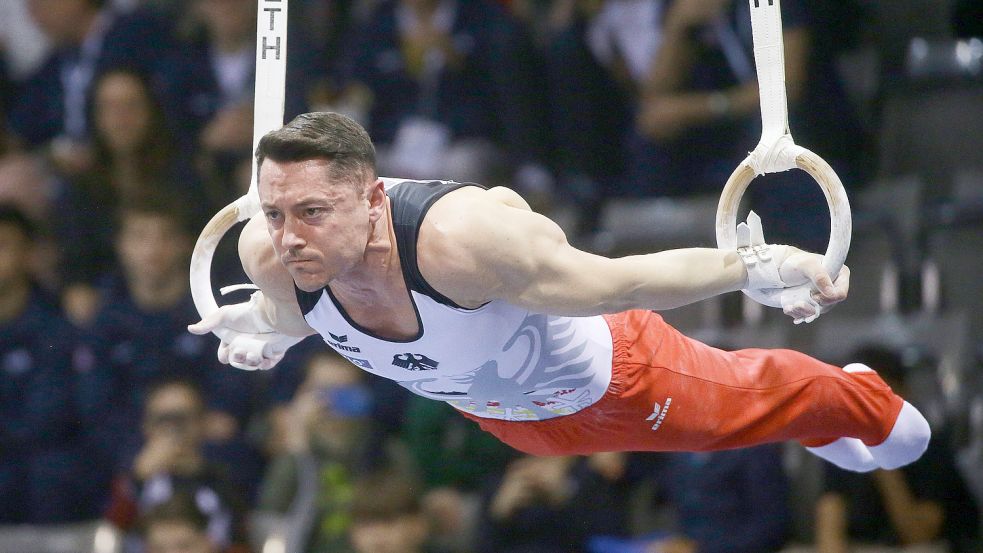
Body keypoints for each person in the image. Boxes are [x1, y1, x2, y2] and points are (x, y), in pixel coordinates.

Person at [189, 111, 930, 474]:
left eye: (313, 212)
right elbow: (296, 316)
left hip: (620, 380)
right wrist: (268, 328)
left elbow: (620, 280)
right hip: (508, 421)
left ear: (374, 198)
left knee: (758, 410)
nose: (289, 236)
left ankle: (861, 400)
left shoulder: (456, 247)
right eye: (277, 212)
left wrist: (749, 264)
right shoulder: (274, 257)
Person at [814, 345, 981, 553]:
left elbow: (917, 533)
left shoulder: (931, 450)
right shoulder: (842, 446)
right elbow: (829, 530)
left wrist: (881, 453)